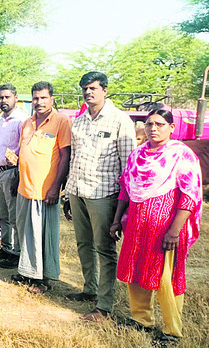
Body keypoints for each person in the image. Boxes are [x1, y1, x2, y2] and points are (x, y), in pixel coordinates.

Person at [110, 109, 202, 348]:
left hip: (166, 227)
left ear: (172, 128)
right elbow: (125, 188)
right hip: (137, 224)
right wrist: (116, 219)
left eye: (160, 124)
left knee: (165, 278)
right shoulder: (137, 154)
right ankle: (141, 319)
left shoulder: (182, 155)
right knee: (136, 271)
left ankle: (172, 330)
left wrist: (174, 231)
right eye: (149, 124)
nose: (153, 128)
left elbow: (189, 196)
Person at [64, 72, 136, 322]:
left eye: (93, 88)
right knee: (83, 244)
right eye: (84, 88)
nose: (88, 92)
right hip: (77, 189)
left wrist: (122, 206)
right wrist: (67, 192)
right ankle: (89, 290)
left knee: (104, 249)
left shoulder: (120, 120)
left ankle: (104, 307)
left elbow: (129, 165)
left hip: (103, 193)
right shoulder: (79, 120)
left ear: (105, 90)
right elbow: (73, 157)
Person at [12, 81, 71, 294]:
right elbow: (23, 152)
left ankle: (43, 279)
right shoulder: (27, 123)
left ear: (51, 99)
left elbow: (65, 157)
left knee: (43, 235)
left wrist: (56, 187)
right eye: (35, 98)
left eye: (43, 98)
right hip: (24, 187)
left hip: (45, 191)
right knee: (25, 232)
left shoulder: (61, 122)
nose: (39, 102)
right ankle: (27, 271)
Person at [0, 84, 28, 268]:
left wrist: (18, 173)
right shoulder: (0, 120)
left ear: (16, 98)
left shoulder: (21, 120)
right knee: (2, 213)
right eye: (1, 97)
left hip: (12, 173)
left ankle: (16, 253)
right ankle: (5, 247)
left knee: (14, 216)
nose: (3, 101)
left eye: (7, 97)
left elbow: (25, 148)